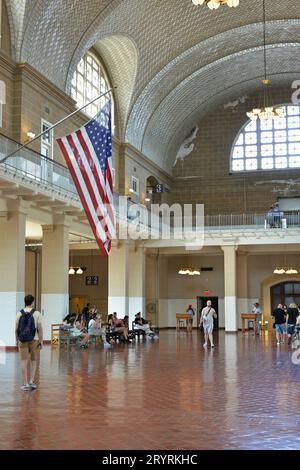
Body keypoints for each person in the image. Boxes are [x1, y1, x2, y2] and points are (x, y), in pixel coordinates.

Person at [15, 294, 43, 391]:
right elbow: (40, 329)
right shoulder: (37, 313)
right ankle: (31, 381)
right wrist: (41, 341)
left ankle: (25, 383)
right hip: (34, 340)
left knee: (24, 361)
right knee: (34, 361)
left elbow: (16, 329)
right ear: (32, 302)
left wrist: (17, 340)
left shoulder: (19, 313)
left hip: (22, 340)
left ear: (25, 302)